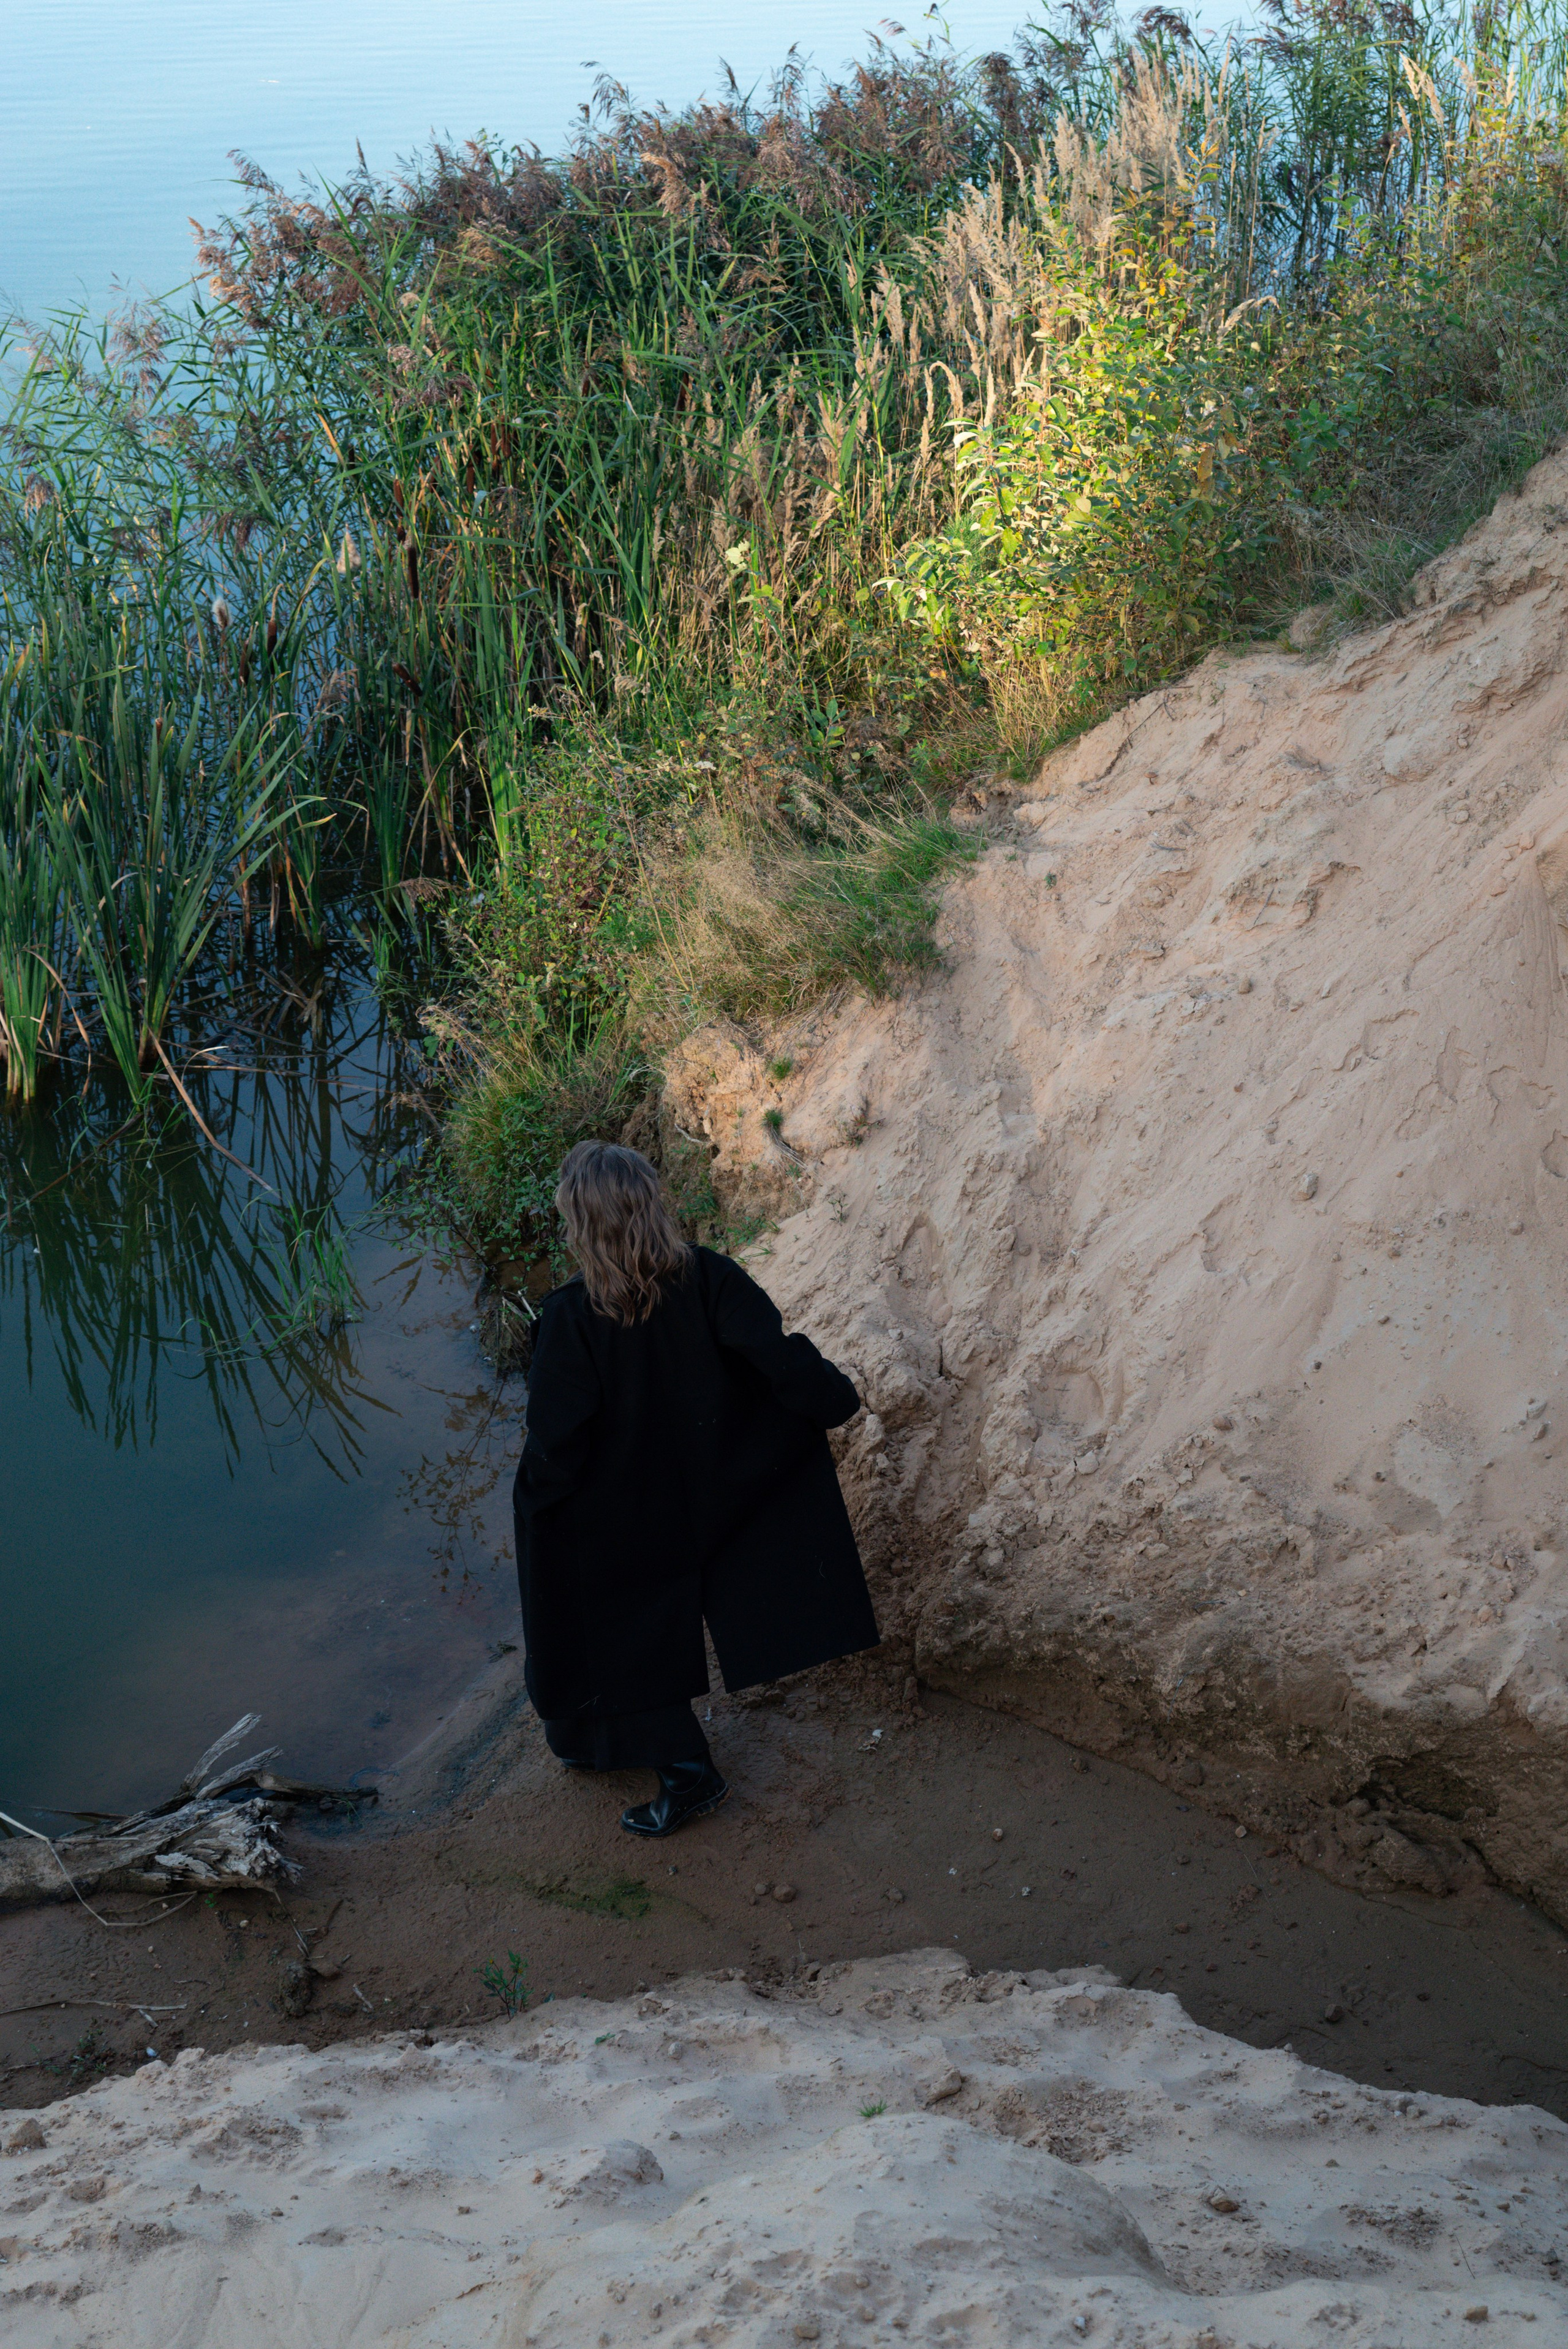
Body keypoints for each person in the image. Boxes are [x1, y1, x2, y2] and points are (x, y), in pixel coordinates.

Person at [512, 1139, 878, 1838]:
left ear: (580, 1225)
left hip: (625, 1517)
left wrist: (535, 1511)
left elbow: (557, 1444)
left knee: (593, 1600)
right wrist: (834, 1400)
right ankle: (603, 1745)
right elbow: (778, 1359)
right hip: (715, 1492)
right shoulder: (710, 1277)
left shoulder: (566, 1319)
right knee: (632, 1597)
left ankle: (686, 1773)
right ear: (651, 1204)